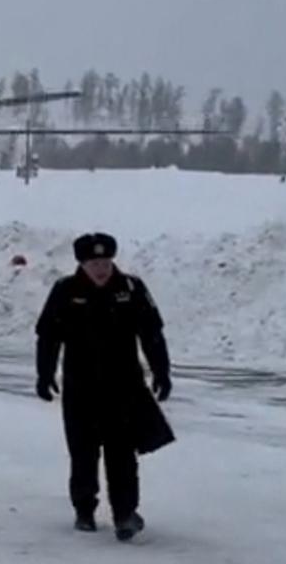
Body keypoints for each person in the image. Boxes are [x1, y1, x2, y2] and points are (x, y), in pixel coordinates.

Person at [35, 232, 174, 542]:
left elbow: (152, 333)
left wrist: (162, 372)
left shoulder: (130, 288)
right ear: (82, 264)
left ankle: (125, 514)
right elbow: (48, 337)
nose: (102, 268)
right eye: (94, 263)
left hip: (123, 388)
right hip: (80, 388)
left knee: (122, 455)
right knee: (83, 454)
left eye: (106, 261)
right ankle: (84, 511)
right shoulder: (66, 291)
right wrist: (44, 375)